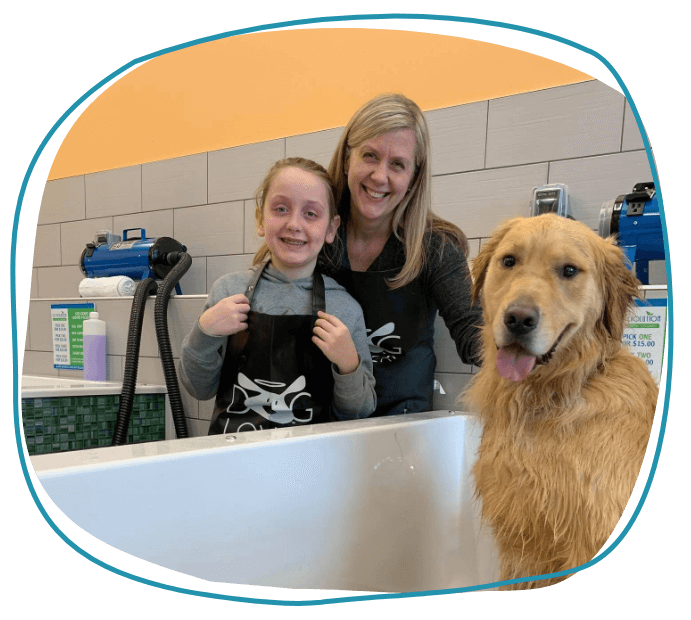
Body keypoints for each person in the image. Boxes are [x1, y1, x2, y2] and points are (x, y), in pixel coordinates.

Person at [179, 157, 376, 434]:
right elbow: (197, 388)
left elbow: (359, 412)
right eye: (281, 209)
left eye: (311, 214)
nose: (294, 224)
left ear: (331, 229)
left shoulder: (344, 307)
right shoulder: (227, 292)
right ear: (260, 219)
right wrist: (204, 332)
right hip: (233, 464)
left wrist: (348, 365)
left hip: (308, 469)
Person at [325, 93, 483, 417]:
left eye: (397, 164)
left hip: (403, 431)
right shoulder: (315, 235)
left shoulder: (436, 247)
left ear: (413, 178)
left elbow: (475, 334)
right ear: (346, 159)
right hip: (322, 428)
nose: (380, 176)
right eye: (369, 156)